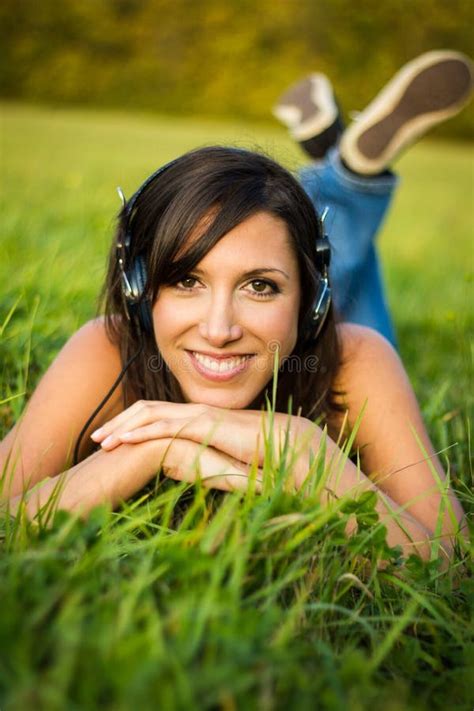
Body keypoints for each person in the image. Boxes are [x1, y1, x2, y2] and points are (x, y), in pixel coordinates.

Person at [0, 51, 471, 564]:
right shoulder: (107, 349)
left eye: (260, 288)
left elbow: (450, 563)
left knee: (355, 301)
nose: (219, 329)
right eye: (186, 280)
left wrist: (303, 450)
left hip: (336, 344)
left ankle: (342, 167)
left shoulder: (356, 361)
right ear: (139, 289)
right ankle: (348, 170)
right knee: (312, 247)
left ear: (311, 304)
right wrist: (152, 447)